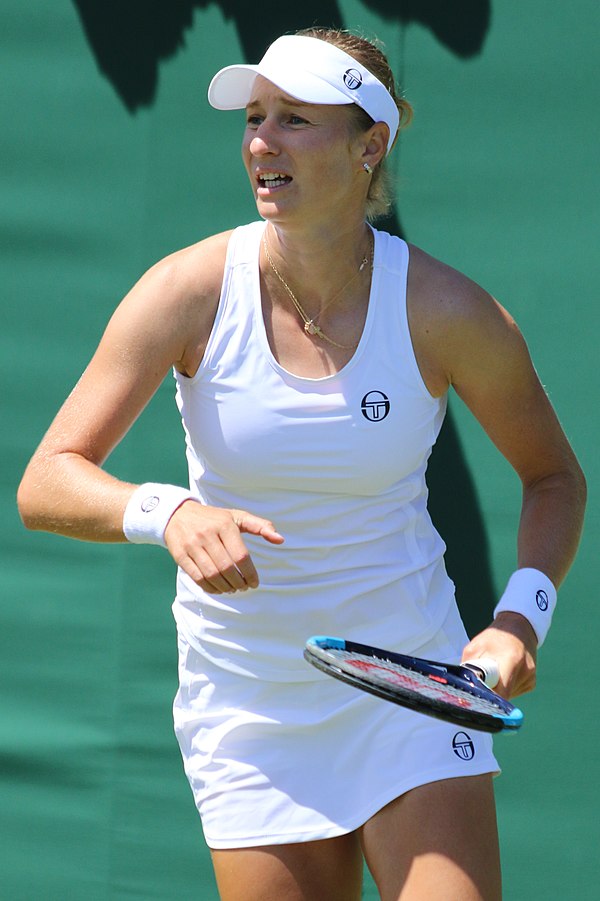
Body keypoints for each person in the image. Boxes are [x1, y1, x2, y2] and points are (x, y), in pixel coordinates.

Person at [18, 26, 585, 901]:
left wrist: (519, 621)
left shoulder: (448, 310)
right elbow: (47, 478)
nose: (261, 142)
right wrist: (170, 513)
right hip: (249, 707)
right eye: (253, 117)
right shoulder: (187, 291)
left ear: (370, 146)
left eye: (294, 119)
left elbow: (555, 475)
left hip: (413, 689)